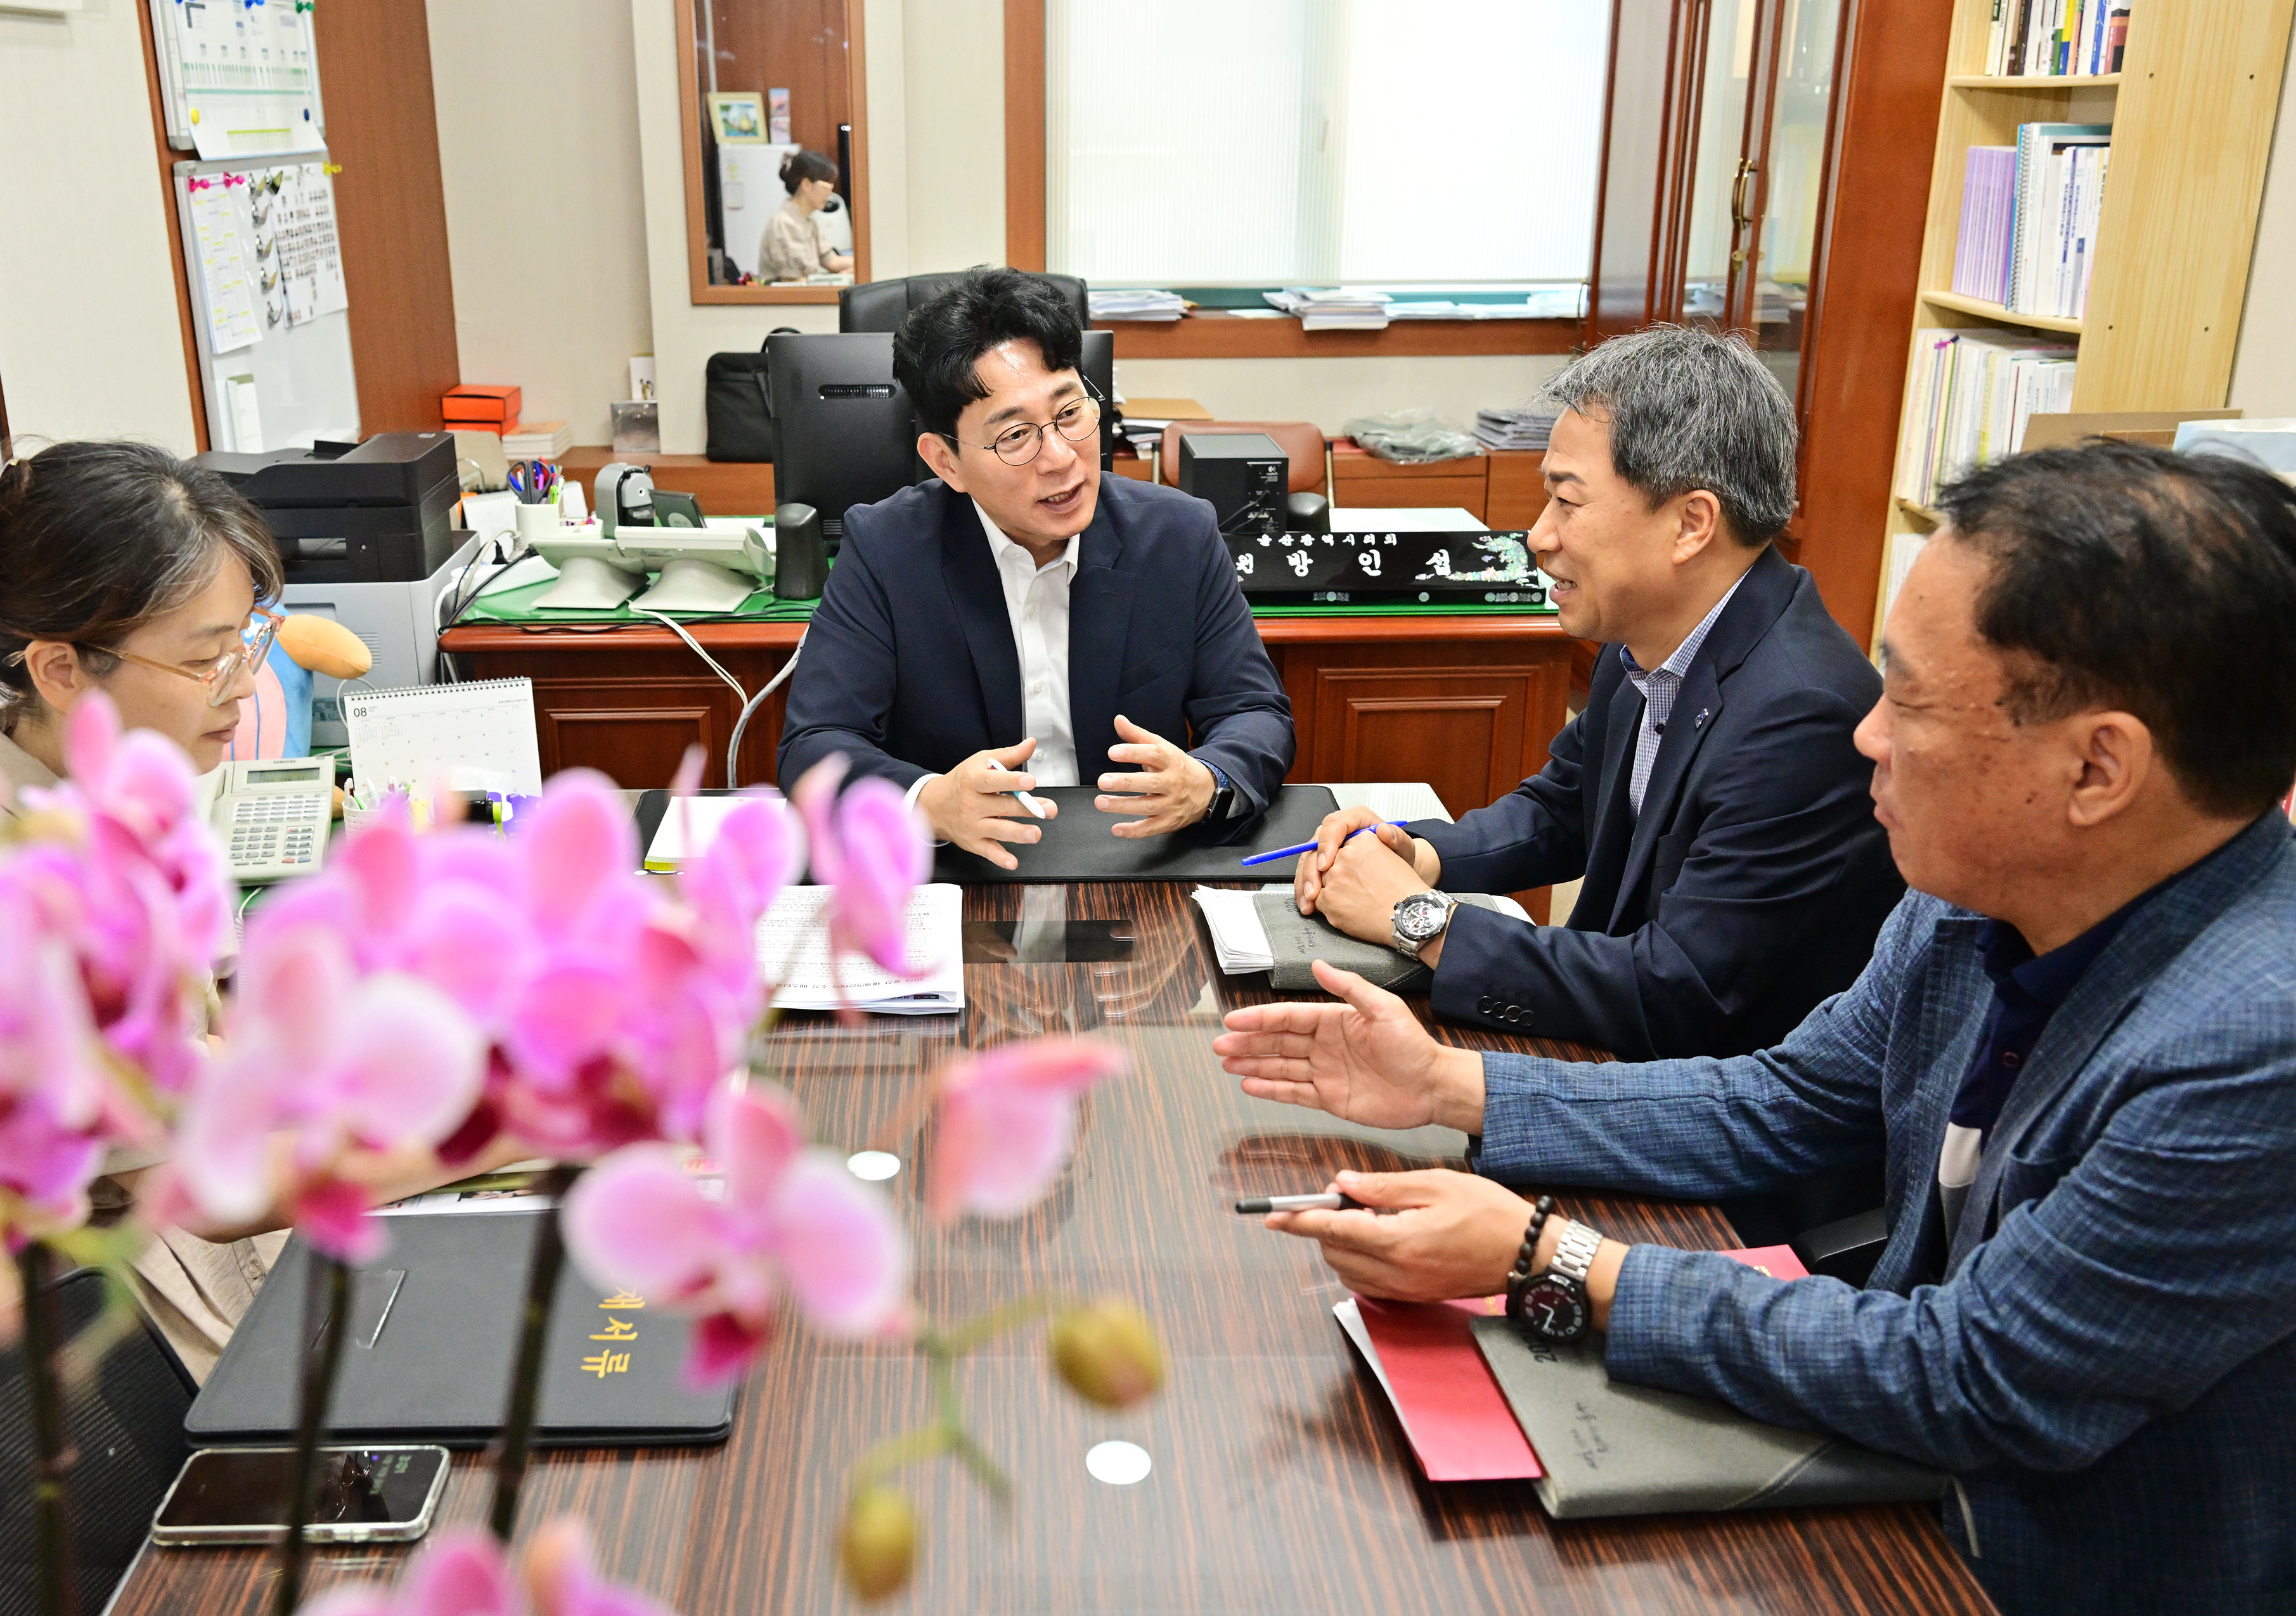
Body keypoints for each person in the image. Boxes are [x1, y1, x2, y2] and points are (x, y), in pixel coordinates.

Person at [1215, 442, 2296, 1615]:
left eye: (1913, 701)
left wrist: (1554, 1261)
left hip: (2022, 1563)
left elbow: (1975, 1378)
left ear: (2099, 767)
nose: (1867, 734)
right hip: (1879, 1471)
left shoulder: (2250, 1050)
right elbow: (1782, 1099)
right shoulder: (1973, 890)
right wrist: (1446, 1086)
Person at [0, 441, 519, 1378]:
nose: (242, 686)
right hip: (74, 1356)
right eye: (204, 658)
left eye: (244, 644)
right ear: (61, 671)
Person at [1291, 325, 1899, 1060]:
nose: (1537, 537)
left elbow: (1679, 991)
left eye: (1567, 503)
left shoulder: (1803, 715)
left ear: (1690, 523)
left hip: (1699, 1108)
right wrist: (1418, 854)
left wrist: (1417, 919)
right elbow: (1563, 810)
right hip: (1609, 1053)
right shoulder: (1648, 634)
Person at [777, 267, 1294, 864]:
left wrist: (1206, 781)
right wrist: (931, 801)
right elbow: (816, 745)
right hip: (963, 877)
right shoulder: (887, 548)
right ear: (946, 462)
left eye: (1071, 413)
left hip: (1136, 862)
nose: (1060, 458)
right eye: (1016, 435)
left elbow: (1254, 712)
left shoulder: (1178, 535)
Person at [758, 150, 851, 283]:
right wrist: (840, 277)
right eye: (827, 185)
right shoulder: (784, 223)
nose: (830, 192)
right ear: (806, 185)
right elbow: (793, 280)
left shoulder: (808, 221)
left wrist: (862, 265)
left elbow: (831, 261)